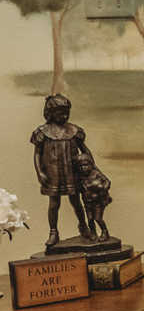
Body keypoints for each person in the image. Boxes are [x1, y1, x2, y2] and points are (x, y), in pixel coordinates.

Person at [31, 94, 93, 246]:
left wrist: (91, 169)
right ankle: (53, 232)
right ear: (50, 113)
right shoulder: (43, 132)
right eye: (60, 113)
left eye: (66, 112)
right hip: (53, 174)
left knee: (76, 201)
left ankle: (83, 226)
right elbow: (37, 154)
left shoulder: (74, 130)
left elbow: (85, 151)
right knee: (54, 204)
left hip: (72, 173)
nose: (64, 116)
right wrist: (40, 173)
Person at [74, 152, 112, 242]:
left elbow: (107, 181)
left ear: (90, 164)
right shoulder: (80, 177)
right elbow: (79, 188)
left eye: (85, 165)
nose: (83, 168)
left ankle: (104, 231)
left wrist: (103, 189)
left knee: (98, 218)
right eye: (81, 166)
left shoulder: (96, 173)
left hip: (98, 201)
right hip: (87, 202)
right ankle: (93, 233)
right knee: (90, 219)